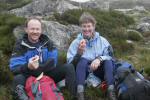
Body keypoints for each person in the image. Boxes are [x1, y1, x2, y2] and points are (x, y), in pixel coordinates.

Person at [9, 17, 76, 100]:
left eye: (37, 29)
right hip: (29, 76)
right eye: (32, 29)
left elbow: (53, 62)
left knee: (69, 67)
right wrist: (28, 66)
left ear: (41, 30)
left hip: (47, 73)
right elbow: (14, 68)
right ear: (26, 29)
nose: (35, 32)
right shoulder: (20, 45)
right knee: (17, 79)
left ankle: (73, 96)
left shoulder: (47, 42)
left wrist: (39, 67)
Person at [67, 12, 117, 100]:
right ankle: (80, 94)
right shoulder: (76, 43)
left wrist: (99, 59)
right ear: (80, 27)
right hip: (83, 73)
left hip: (99, 71)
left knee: (108, 61)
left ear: (94, 26)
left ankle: (111, 91)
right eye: (84, 26)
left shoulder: (102, 41)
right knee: (83, 60)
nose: (87, 29)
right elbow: (69, 63)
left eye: (89, 26)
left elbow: (111, 57)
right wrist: (79, 54)